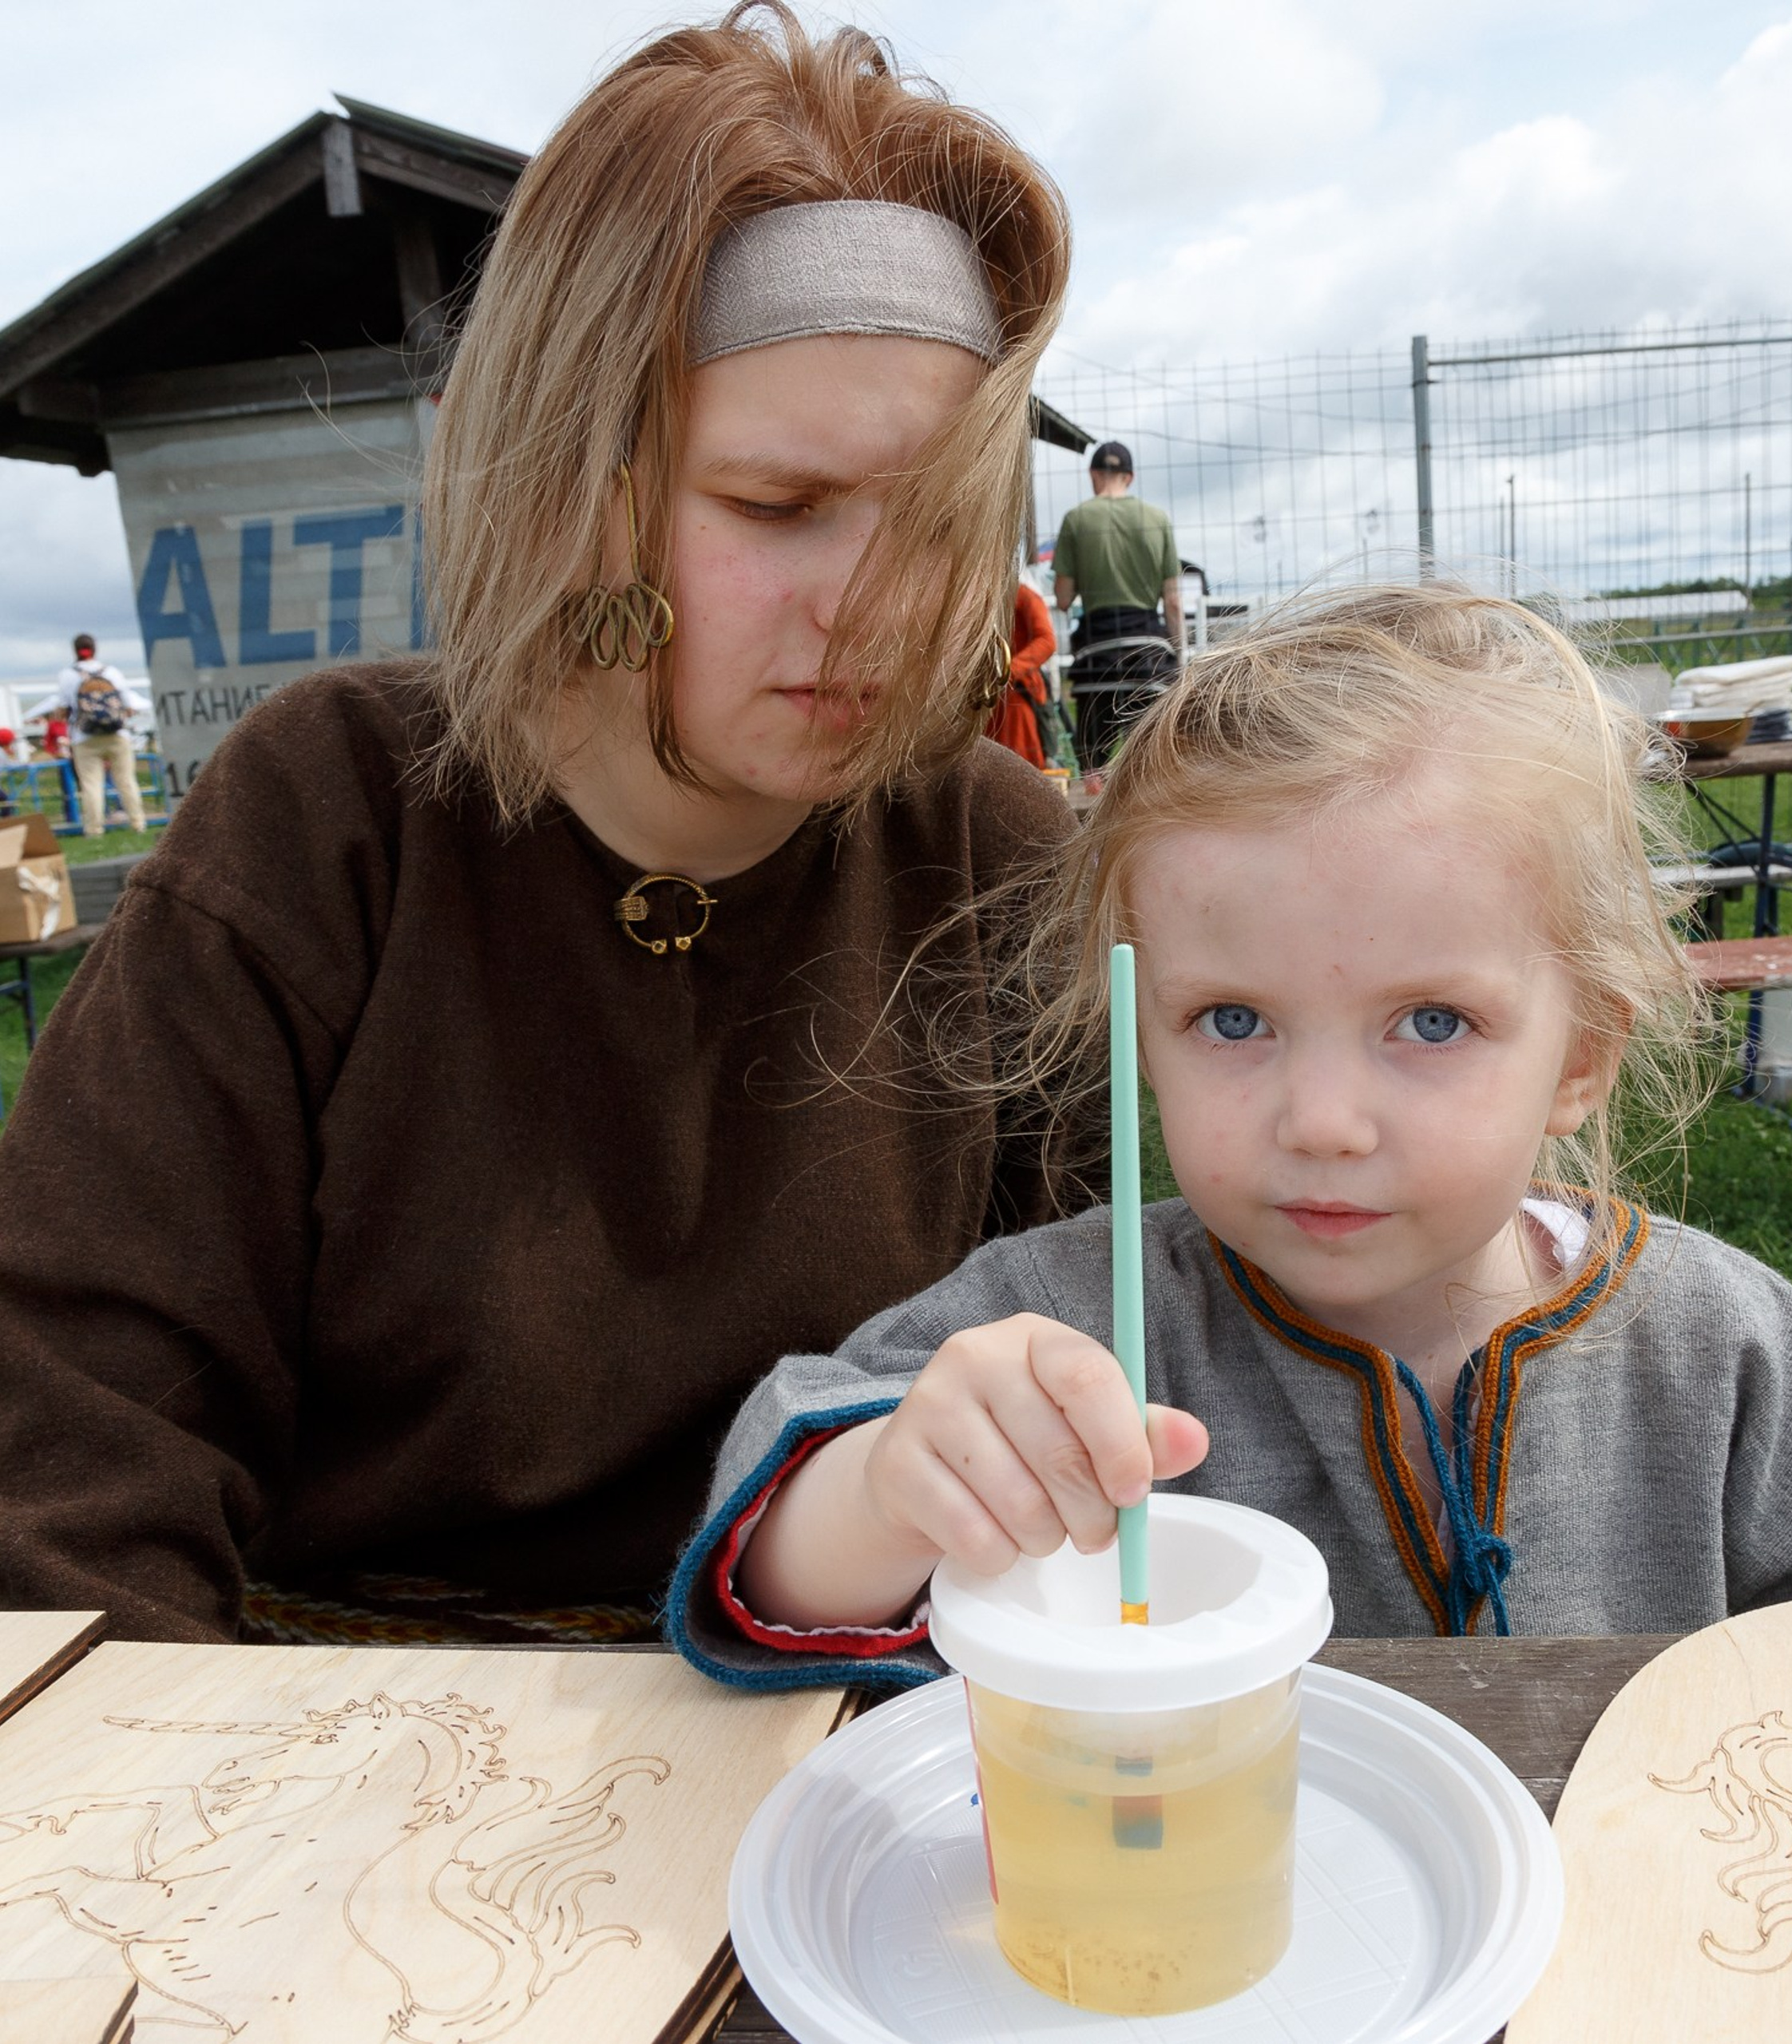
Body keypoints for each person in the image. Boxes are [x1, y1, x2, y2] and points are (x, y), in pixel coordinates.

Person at [0, 2, 1094, 1646]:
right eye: (775, 507)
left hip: (852, 1763)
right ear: (558, 471)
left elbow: (1111, 1400)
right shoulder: (325, 818)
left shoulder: (996, 856)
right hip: (315, 1756)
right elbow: (75, 1459)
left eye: (937, 520)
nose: (881, 606)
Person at [667, 583, 1792, 1689]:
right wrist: (892, 1487)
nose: (1320, 1124)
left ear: (1580, 1056)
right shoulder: (1076, 1324)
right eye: (1233, 1022)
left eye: (1431, 1024)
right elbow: (774, 1550)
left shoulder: (1726, 1354)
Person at [1052, 441, 1181, 770]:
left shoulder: (1076, 520)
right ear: (1130, 477)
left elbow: (1064, 599)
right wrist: (1177, 652)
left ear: (1094, 474)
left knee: (1092, 765)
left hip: (1098, 655)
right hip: (1148, 652)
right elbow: (1173, 601)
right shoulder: (1157, 519)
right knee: (1152, 763)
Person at [27, 632, 150, 835]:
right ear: (95, 649)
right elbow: (127, 703)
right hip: (117, 734)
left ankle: (95, 829)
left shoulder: (68, 675)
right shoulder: (112, 672)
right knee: (127, 781)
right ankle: (138, 823)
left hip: (84, 737)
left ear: (75, 651)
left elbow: (63, 707)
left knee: (91, 785)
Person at [985, 578, 1055, 768]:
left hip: (1017, 692)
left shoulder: (1025, 596)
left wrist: (1009, 670)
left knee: (1019, 763)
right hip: (986, 695)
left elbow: (1047, 641)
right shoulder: (981, 597)